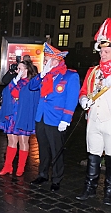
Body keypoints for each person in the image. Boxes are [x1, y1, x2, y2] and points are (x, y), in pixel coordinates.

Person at [29, 42, 80, 191]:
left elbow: (72, 99)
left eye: (47, 60)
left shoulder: (70, 76)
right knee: (43, 148)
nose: (44, 62)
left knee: (56, 149)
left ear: (56, 60)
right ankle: (43, 174)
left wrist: (66, 118)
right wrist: (41, 75)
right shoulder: (45, 75)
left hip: (57, 119)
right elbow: (32, 86)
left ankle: (57, 178)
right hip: (42, 117)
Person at [76, 18, 111, 205]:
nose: (103, 54)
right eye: (102, 51)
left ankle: (109, 192)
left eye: (107, 51)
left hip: (110, 122)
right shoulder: (93, 71)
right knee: (93, 155)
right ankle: (89, 188)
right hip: (94, 121)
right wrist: (82, 100)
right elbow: (84, 90)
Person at [0, 61, 39, 176]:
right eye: (17, 69)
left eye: (20, 69)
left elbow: (15, 93)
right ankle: (7, 166)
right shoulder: (15, 81)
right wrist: (15, 80)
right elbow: (6, 91)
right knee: (11, 140)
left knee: (23, 141)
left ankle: (21, 168)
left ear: (27, 70)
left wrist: (15, 83)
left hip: (23, 114)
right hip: (12, 114)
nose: (17, 71)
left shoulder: (30, 83)